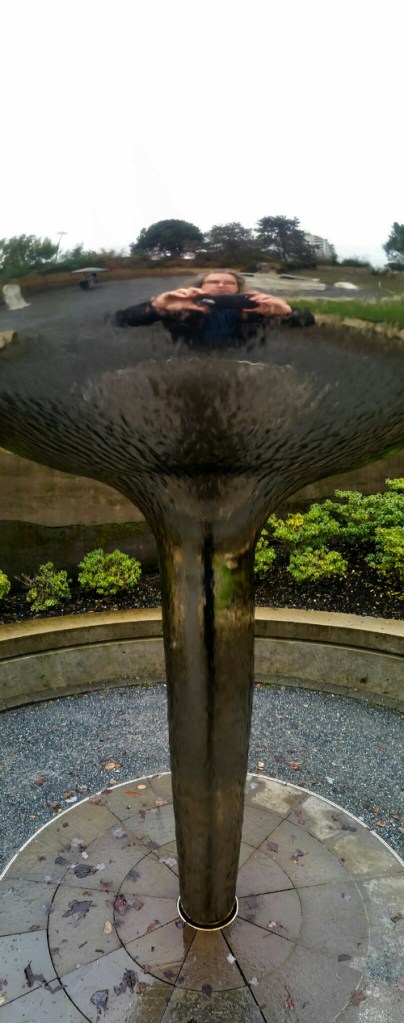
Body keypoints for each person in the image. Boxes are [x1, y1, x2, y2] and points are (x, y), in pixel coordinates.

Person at [114, 269, 314, 341]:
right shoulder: (179, 306)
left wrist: (286, 313)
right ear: (200, 286)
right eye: (213, 282)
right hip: (184, 359)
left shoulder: (252, 308)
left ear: (238, 290)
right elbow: (118, 320)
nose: (221, 285)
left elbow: (308, 322)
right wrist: (156, 307)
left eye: (229, 283)